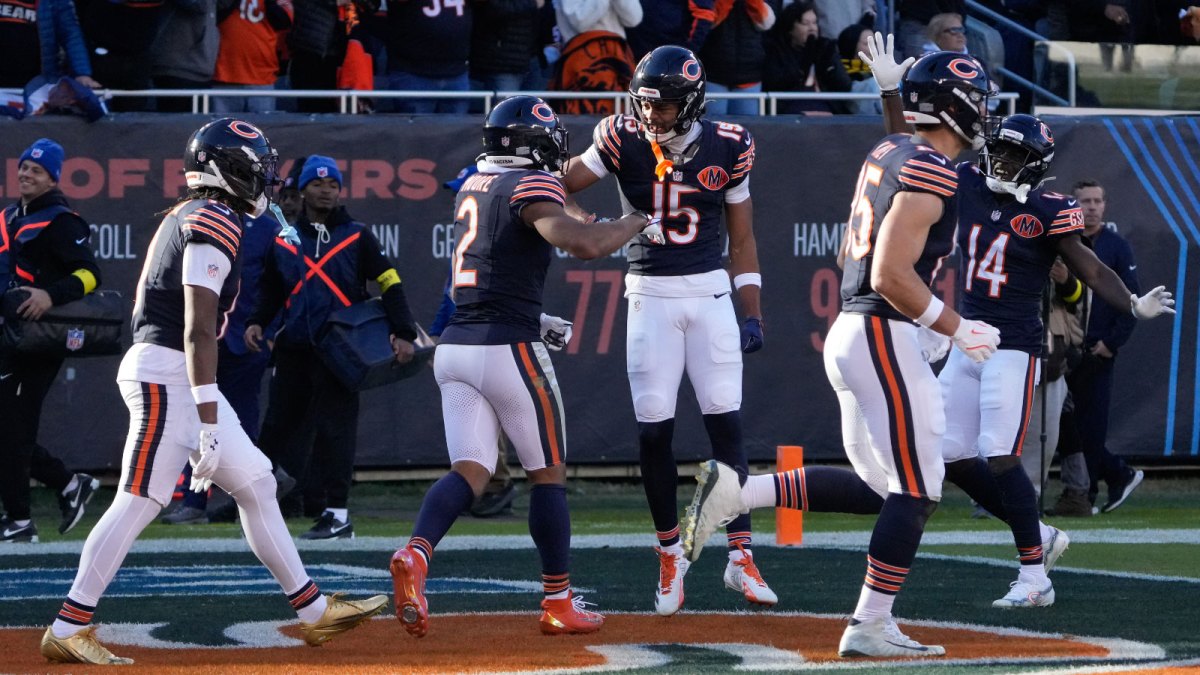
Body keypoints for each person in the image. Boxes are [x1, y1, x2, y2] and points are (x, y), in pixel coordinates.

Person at [686, 50, 1000, 657]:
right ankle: (869, 624)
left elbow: (906, 161)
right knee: (919, 487)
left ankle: (739, 493)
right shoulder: (932, 170)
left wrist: (890, 95)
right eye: (977, 101)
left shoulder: (896, 152)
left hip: (855, 335)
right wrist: (956, 326)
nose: (983, 112)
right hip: (882, 333)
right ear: (956, 107)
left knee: (884, 488)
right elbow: (889, 274)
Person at [38, 118, 386, 665]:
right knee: (139, 500)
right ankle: (68, 623)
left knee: (256, 481)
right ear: (226, 168)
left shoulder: (200, 212)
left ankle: (314, 612)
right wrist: (205, 418)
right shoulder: (212, 218)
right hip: (169, 371)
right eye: (255, 166)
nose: (264, 178)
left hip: (175, 372)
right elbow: (198, 328)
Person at [864, 36, 1172, 606]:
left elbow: (1090, 266)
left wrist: (1130, 303)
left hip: (1014, 347)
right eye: (997, 153)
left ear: (1037, 167)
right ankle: (1040, 536)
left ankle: (1035, 577)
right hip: (966, 339)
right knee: (949, 451)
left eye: (1013, 158)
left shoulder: (1051, 209)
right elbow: (906, 152)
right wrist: (889, 92)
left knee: (1001, 454)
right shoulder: (970, 181)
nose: (1000, 163)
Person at [389, 95, 665, 638]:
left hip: (457, 348)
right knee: (548, 475)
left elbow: (500, 263)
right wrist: (636, 220)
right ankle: (558, 602)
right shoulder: (529, 185)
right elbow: (581, 242)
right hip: (506, 349)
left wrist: (536, 316)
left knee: (470, 470)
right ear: (530, 144)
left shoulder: (475, 183)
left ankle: (416, 554)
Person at [562, 45, 775, 616]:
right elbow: (556, 189)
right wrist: (599, 226)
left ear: (692, 102)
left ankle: (741, 555)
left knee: (726, 428)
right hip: (649, 294)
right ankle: (668, 553)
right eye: (647, 104)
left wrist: (750, 308)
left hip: (708, 293)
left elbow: (744, 239)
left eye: (665, 106)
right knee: (655, 432)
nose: (652, 116)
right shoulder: (619, 135)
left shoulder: (730, 144)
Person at [246, 155, 418, 539]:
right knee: (275, 426)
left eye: (333, 185)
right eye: (318, 184)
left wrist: (404, 330)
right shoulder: (285, 236)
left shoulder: (357, 234)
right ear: (302, 190)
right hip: (294, 346)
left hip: (341, 349)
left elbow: (389, 281)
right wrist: (257, 320)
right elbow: (273, 287)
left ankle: (337, 514)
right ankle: (257, 503)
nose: (326, 191)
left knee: (335, 430)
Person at [0, 138, 103, 543]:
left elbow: (91, 274)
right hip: (10, 335)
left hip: (39, 341)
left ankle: (21, 520)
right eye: (24, 167)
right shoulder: (9, 217)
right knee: (8, 429)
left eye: (37, 171)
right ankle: (67, 484)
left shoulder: (62, 221)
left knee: (13, 431)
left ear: (53, 179)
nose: (26, 174)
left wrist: (49, 295)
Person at [1064, 180, 1152, 514]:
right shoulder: (1065, 242)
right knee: (1066, 427)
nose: (1091, 207)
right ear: (1074, 205)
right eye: (1085, 201)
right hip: (1066, 347)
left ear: (1105, 205)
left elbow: (1133, 299)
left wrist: (1111, 343)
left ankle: (1102, 484)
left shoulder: (1117, 246)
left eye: (1097, 201)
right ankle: (1101, 482)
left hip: (1098, 350)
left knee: (1089, 427)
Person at [763, 1, 851, 115]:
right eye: (805, 23)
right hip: (790, 106)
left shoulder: (826, 48)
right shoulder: (777, 50)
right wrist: (805, 62)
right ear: (790, 28)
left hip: (825, 106)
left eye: (814, 23)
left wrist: (828, 64)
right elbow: (775, 82)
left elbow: (845, 85)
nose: (812, 28)